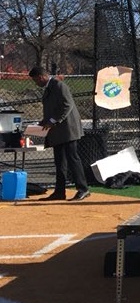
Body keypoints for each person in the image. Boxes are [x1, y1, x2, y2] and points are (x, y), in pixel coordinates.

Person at [29, 66, 89, 201]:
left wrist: (52, 121)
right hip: (57, 131)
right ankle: (59, 192)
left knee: (73, 159)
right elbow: (53, 109)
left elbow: (67, 105)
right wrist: (44, 121)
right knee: (59, 162)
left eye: (35, 80)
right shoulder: (50, 87)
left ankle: (83, 189)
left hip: (68, 129)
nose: (36, 83)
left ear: (41, 77)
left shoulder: (59, 85)